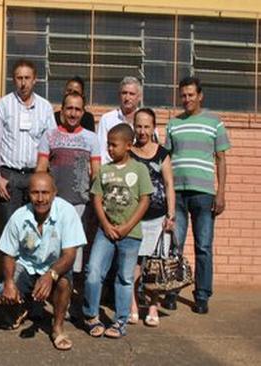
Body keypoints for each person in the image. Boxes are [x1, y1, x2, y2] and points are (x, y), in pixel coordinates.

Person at [162, 76, 230, 315]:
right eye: (183, 95)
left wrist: (220, 192)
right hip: (177, 194)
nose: (187, 99)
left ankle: (202, 296)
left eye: (191, 94)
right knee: (174, 245)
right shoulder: (173, 124)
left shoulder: (215, 122)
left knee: (203, 246)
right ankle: (171, 291)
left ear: (200, 95)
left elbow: (221, 158)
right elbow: (166, 159)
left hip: (203, 194)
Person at [0, 172, 86, 351]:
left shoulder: (67, 212)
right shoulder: (19, 216)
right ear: (28, 194)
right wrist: (8, 283)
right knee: (3, 290)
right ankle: (23, 307)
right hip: (27, 266)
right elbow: (8, 253)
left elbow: (69, 255)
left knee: (63, 282)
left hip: (55, 267)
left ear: (54, 193)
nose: (40, 198)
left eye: (45, 193)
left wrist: (50, 274)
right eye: (35, 193)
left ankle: (58, 327)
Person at [83, 124, 153, 339]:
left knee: (124, 278)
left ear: (129, 146)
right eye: (108, 145)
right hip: (106, 232)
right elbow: (96, 198)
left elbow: (145, 200)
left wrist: (126, 226)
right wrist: (105, 225)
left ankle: (120, 321)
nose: (110, 149)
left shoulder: (140, 169)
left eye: (114, 145)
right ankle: (91, 316)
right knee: (93, 272)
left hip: (130, 235)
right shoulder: (104, 170)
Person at [36, 91, 100, 283]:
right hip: (52, 203)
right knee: (48, 250)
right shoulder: (49, 135)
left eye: (77, 109)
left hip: (80, 204)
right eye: (69, 108)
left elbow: (96, 173)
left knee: (75, 253)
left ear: (83, 112)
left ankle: (70, 299)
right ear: (62, 110)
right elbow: (40, 169)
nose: (73, 113)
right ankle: (41, 298)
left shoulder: (91, 138)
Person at [0, 59, 57, 225]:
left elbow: (51, 144)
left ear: (34, 80)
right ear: (13, 80)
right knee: (11, 230)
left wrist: (46, 177)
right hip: (10, 177)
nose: (23, 83)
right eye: (19, 78)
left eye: (27, 78)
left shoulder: (45, 107)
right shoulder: (4, 105)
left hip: (35, 175)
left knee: (36, 227)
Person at [128, 108, 175, 327]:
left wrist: (171, 215)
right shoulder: (129, 152)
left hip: (158, 218)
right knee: (134, 263)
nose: (142, 131)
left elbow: (168, 185)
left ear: (153, 127)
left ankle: (153, 306)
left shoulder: (162, 153)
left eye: (147, 126)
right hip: (136, 219)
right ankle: (134, 305)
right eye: (139, 126)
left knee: (155, 265)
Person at [96, 76, 142, 164]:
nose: (127, 98)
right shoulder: (107, 119)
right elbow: (101, 151)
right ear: (119, 95)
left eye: (131, 94)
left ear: (139, 97)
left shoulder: (146, 119)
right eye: (124, 93)